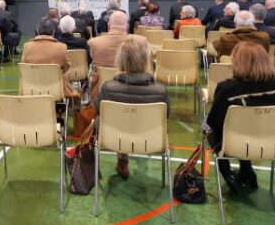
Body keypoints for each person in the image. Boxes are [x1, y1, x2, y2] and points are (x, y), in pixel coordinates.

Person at [206, 41, 275, 194]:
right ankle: (246, 170)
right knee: (247, 127)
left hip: (239, 142)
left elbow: (214, 123)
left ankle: (229, 176)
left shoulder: (227, 88)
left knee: (210, 130)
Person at [95, 36, 169, 178]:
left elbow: (98, 110)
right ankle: (123, 160)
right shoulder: (160, 90)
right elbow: (166, 116)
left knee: (111, 121)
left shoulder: (108, 88)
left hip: (114, 137)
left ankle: (122, 159)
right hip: (150, 138)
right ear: (145, 60)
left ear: (121, 60)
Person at [88, 10, 146, 102]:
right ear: (127, 27)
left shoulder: (94, 43)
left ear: (109, 26)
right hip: (132, 92)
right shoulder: (141, 42)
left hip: (101, 94)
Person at [21, 19, 80, 104]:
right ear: (53, 32)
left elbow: (23, 67)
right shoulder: (61, 47)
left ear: (38, 31)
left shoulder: (27, 46)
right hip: (55, 88)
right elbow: (67, 67)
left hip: (32, 88)